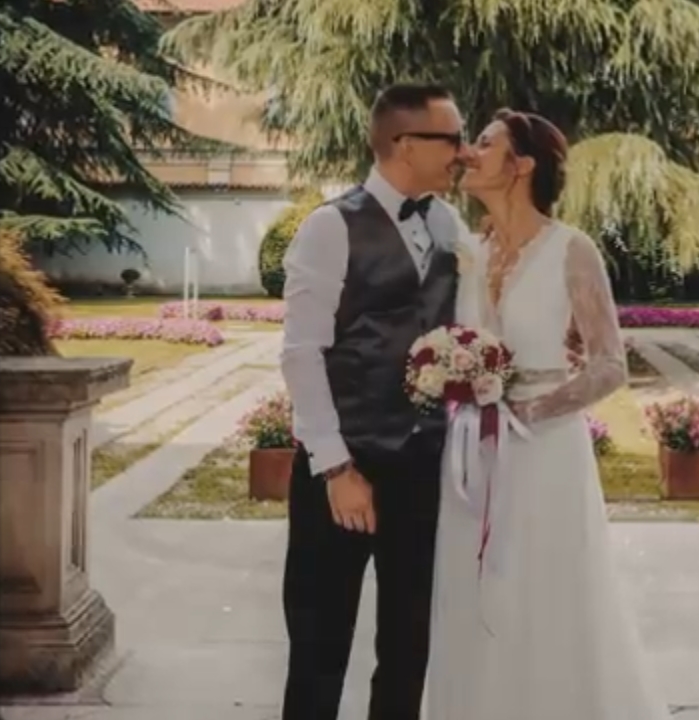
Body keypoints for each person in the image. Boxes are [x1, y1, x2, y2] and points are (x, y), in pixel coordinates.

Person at [423, 109, 671, 719]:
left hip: (547, 452)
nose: (468, 152)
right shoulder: (466, 251)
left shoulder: (571, 250)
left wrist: (527, 411)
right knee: (472, 593)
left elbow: (609, 364)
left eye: (486, 143)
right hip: (470, 457)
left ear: (523, 165)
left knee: (547, 595)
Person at [279, 83, 472, 720]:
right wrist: (336, 468)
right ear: (404, 143)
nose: (462, 152)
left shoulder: (447, 224)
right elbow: (301, 353)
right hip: (344, 467)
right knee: (319, 649)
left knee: (409, 648)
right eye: (451, 138)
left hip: (423, 469)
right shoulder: (329, 226)